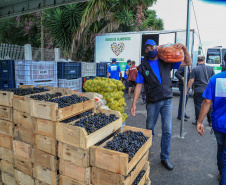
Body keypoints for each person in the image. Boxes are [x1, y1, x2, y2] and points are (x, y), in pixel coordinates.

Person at [130, 39, 192, 170]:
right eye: (147, 48)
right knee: (149, 130)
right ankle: (143, 154)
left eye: (151, 47)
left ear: (156, 48)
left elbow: (188, 62)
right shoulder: (143, 66)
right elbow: (139, 85)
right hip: (152, 102)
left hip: (167, 100)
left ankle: (165, 157)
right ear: (145, 51)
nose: (149, 50)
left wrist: (185, 49)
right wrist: (133, 104)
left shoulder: (166, 60)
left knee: (167, 130)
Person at [196, 65, 226, 184]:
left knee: (221, 148)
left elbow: (207, 101)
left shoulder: (215, 79)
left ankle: (220, 171)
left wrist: (199, 121)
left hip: (219, 124)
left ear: (224, 61)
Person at [186, 55, 215, 126]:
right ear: (204, 60)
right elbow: (213, 79)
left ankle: (198, 121)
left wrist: (187, 89)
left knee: (198, 106)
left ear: (197, 60)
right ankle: (210, 121)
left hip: (198, 90)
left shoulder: (195, 69)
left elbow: (191, 80)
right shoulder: (210, 68)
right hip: (208, 90)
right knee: (209, 105)